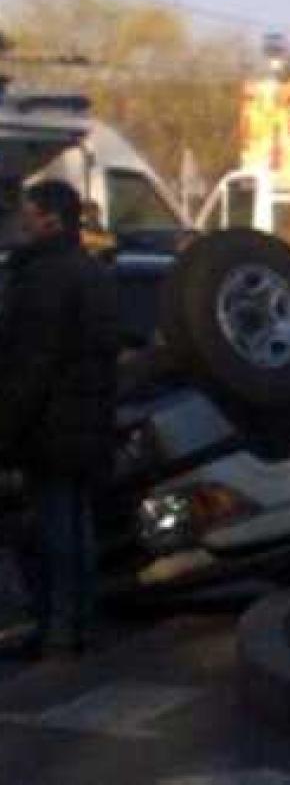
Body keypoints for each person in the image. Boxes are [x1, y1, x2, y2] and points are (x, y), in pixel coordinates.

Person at [0, 180, 118, 657]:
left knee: (53, 529)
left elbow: (31, 362)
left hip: (50, 424)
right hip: (84, 422)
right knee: (75, 523)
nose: (20, 220)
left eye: (27, 212)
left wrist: (6, 429)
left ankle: (58, 626)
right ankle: (78, 623)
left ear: (50, 218)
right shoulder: (90, 272)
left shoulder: (44, 277)